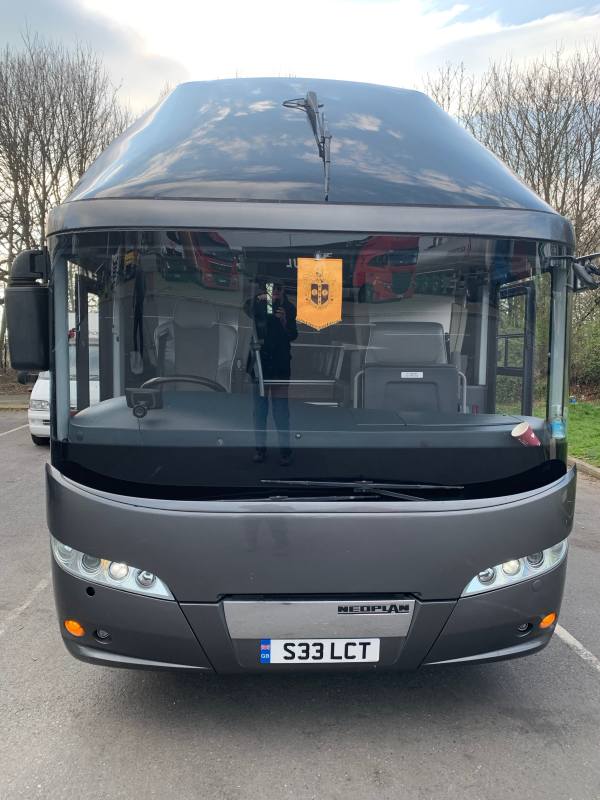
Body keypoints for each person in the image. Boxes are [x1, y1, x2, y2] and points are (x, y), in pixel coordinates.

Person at [245, 282, 297, 465]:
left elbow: (293, 335)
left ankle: (285, 450)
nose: (275, 292)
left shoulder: (289, 307)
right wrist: (258, 298)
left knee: (281, 410)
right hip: (260, 363)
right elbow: (247, 310)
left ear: (283, 290)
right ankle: (260, 448)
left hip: (280, 364)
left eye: (278, 289)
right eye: (271, 288)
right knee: (259, 410)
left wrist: (283, 322)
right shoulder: (261, 304)